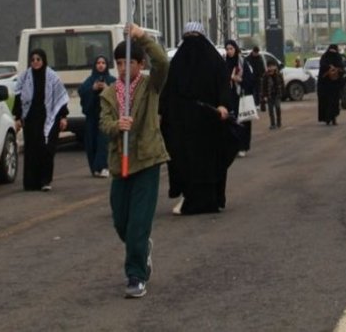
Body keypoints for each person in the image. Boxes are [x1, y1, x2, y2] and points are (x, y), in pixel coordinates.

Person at [100, 24, 170, 298]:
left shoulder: (150, 85)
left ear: (140, 64)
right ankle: (142, 248)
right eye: (118, 63)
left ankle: (136, 275)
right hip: (121, 165)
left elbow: (163, 61)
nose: (122, 67)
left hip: (147, 160)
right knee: (121, 221)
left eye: (128, 62)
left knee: (138, 223)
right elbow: (104, 124)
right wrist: (118, 125)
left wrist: (141, 36)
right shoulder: (108, 94)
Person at [160, 21, 232, 216]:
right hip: (186, 124)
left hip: (207, 122)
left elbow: (224, 86)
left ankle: (210, 198)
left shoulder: (212, 61)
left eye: (195, 38)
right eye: (188, 39)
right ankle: (191, 197)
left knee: (204, 160)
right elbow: (168, 93)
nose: (193, 45)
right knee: (188, 161)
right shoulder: (179, 63)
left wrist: (223, 105)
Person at [14, 48, 69, 191]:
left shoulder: (52, 77)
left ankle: (45, 181)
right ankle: (31, 182)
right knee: (32, 151)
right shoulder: (25, 77)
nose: (35, 62)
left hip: (50, 119)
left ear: (43, 60)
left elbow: (60, 98)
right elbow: (18, 97)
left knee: (47, 149)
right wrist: (18, 117)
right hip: (31, 120)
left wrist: (63, 117)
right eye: (33, 60)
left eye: (38, 59)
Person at [79, 55, 115, 178]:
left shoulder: (111, 80)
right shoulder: (89, 81)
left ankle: (104, 166)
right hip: (92, 117)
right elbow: (82, 92)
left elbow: (118, 96)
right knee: (91, 142)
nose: (100, 65)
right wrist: (93, 89)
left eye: (103, 63)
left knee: (103, 142)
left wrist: (107, 89)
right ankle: (95, 168)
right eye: (98, 63)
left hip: (106, 117)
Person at [225, 41, 256, 155]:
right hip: (230, 97)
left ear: (236, 49)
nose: (229, 51)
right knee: (231, 122)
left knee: (243, 122)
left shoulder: (243, 63)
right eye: (227, 49)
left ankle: (243, 147)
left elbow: (250, 81)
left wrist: (238, 80)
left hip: (241, 97)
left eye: (231, 49)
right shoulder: (225, 63)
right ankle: (234, 147)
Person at [316, 44, 344, 125]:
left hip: (324, 85)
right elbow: (341, 68)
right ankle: (333, 118)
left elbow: (322, 67)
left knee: (326, 102)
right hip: (334, 86)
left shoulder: (324, 57)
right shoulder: (338, 57)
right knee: (333, 102)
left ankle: (327, 119)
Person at [259, 57, 284, 129]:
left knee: (277, 107)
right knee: (270, 110)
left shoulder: (278, 74)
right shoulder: (265, 76)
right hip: (269, 95)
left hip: (277, 94)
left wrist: (282, 92)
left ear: (275, 66)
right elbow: (263, 87)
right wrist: (264, 96)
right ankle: (272, 124)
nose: (271, 68)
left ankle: (279, 122)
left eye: (272, 66)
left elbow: (282, 84)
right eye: (269, 66)